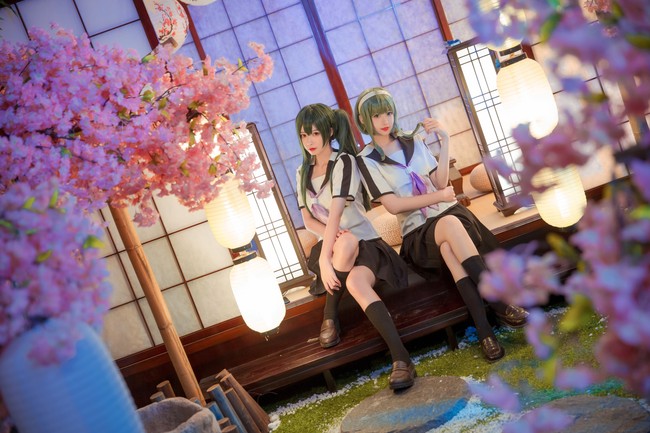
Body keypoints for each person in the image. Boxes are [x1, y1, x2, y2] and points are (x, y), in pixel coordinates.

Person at [354, 87, 528, 362]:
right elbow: (393, 206)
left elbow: (440, 181)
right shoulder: (366, 160)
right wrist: (440, 196)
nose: (385, 120)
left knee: (449, 247)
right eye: (376, 115)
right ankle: (499, 302)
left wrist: (445, 140)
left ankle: (486, 334)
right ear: (364, 119)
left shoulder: (412, 141)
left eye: (388, 112)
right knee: (449, 226)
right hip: (418, 233)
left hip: (449, 217)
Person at [295, 103, 416, 389]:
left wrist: (325, 261)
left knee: (352, 260)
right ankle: (401, 357)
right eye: (304, 135)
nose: (310, 140)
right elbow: (308, 220)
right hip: (334, 246)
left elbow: (337, 213)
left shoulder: (344, 162)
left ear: (330, 131)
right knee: (345, 244)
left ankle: (399, 359)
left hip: (365, 244)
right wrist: (330, 244)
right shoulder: (302, 171)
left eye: (315, 133)